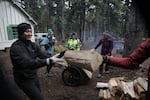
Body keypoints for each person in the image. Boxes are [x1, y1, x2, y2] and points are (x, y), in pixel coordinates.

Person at [10, 23, 53, 100]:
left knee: (38, 94)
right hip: (23, 78)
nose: (29, 34)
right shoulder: (16, 48)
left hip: (33, 75)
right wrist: (46, 61)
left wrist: (55, 58)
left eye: (30, 31)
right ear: (21, 33)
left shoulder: (33, 45)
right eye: (27, 31)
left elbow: (43, 55)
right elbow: (28, 63)